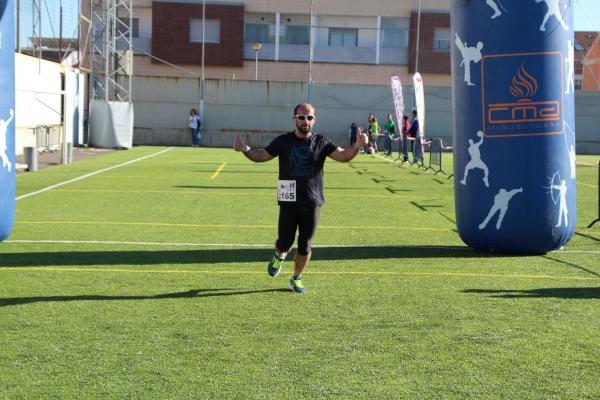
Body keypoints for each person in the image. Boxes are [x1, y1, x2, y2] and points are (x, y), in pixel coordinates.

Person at [233, 103, 368, 293]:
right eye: (302, 117)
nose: (306, 121)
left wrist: (356, 146)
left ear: (314, 120)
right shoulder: (283, 141)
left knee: (305, 245)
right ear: (294, 118)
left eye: (310, 117)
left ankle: (295, 278)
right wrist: (246, 149)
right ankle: (279, 256)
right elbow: (262, 155)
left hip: (312, 202)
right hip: (288, 200)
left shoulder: (321, 142)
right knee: (285, 242)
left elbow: (343, 156)